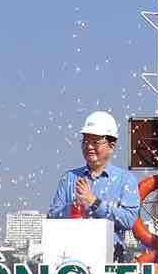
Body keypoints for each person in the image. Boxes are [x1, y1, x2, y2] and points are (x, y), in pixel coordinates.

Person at [46, 110, 140, 261]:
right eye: (85, 141)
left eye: (95, 142)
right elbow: (52, 217)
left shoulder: (125, 180)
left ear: (112, 145)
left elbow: (129, 220)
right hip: (72, 257)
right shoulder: (69, 179)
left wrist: (94, 203)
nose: (89, 146)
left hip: (111, 257)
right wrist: (73, 207)